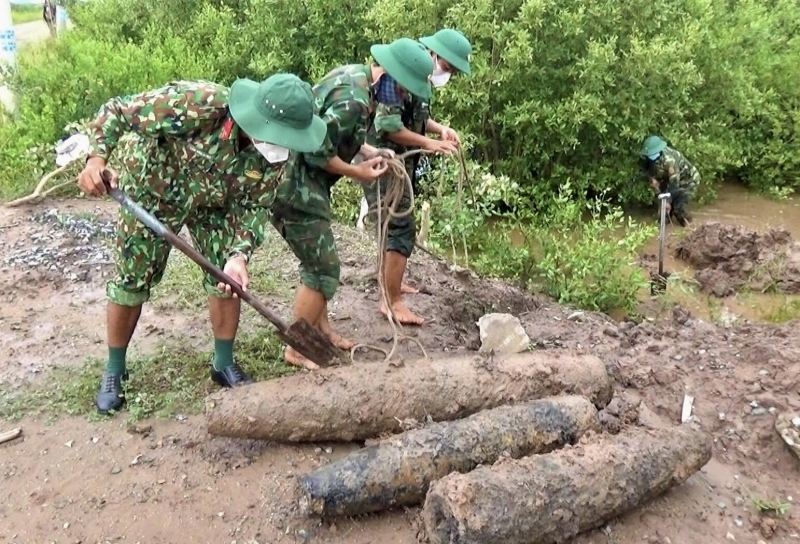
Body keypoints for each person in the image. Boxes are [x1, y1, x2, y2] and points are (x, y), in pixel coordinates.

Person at [77, 74, 328, 414]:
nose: (280, 144)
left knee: (227, 281)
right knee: (132, 280)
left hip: (216, 204)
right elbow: (118, 111)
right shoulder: (199, 103)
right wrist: (96, 160)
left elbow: (255, 206)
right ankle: (115, 369)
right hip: (155, 190)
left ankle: (223, 363)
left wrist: (238, 255)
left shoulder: (279, 154)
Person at [270, 37, 435, 370]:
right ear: (389, 74)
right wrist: (356, 170)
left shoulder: (357, 78)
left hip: (305, 182)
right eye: (403, 89)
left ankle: (321, 330)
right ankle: (297, 348)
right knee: (323, 269)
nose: (403, 97)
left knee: (317, 263)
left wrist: (371, 151)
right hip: (295, 185)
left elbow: (342, 133)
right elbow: (319, 152)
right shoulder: (355, 101)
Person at [361, 28, 473, 325]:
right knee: (399, 228)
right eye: (447, 67)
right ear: (435, 54)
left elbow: (416, 115)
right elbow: (386, 124)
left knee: (394, 226)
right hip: (384, 162)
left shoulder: (420, 76)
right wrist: (429, 143)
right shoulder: (400, 72)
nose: (446, 74)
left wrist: (439, 130)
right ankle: (391, 301)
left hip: (401, 164)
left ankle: (392, 285)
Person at [639, 135, 700, 226]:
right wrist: (652, 179)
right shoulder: (647, 157)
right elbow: (646, 169)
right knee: (662, 213)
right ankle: (664, 229)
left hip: (687, 181)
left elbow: (674, 183)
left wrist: (668, 201)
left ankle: (690, 226)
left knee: (678, 209)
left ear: (658, 151)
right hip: (667, 178)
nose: (650, 156)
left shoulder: (669, 160)